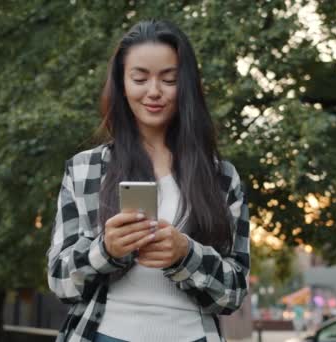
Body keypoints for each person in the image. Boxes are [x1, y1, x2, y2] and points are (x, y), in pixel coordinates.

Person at [47, 19, 250, 342]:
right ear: (122, 83)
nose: (153, 91)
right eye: (139, 78)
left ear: (186, 85)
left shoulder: (221, 177)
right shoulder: (84, 169)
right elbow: (60, 281)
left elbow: (234, 292)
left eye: (169, 79)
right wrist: (105, 249)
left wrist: (186, 254)